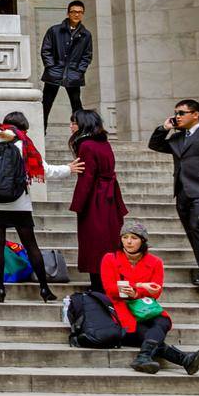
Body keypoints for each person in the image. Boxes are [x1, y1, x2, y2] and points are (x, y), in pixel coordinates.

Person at [0, 111, 83, 303]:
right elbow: (44, 169)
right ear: (23, 128)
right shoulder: (22, 142)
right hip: (17, 202)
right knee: (31, 245)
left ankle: (0, 290)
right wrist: (68, 169)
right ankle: (44, 289)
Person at [101, 219, 199, 375]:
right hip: (121, 309)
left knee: (163, 321)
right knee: (145, 333)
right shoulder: (110, 259)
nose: (129, 242)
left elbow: (156, 291)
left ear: (143, 241)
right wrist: (141, 286)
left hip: (145, 307)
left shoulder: (155, 262)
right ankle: (184, 360)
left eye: (134, 238)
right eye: (125, 237)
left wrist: (136, 293)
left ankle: (144, 357)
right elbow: (110, 289)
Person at [148, 98, 199, 290]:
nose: (177, 116)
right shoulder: (178, 137)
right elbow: (155, 145)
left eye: (181, 113)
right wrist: (164, 128)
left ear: (195, 114)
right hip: (182, 191)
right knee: (193, 232)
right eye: (176, 113)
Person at [69, 108, 128, 291]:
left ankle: (98, 284)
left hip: (96, 198)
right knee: (107, 240)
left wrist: (78, 203)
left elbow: (87, 177)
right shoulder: (103, 143)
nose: (71, 126)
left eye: (74, 122)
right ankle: (106, 281)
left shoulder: (86, 145)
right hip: (108, 197)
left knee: (94, 242)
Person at [40, 0, 93, 129]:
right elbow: (46, 50)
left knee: (76, 104)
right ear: (68, 13)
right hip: (54, 73)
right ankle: (41, 131)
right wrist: (51, 67)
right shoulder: (55, 30)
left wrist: (80, 70)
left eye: (80, 12)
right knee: (46, 103)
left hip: (73, 74)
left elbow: (87, 55)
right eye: (74, 12)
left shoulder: (86, 35)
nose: (77, 15)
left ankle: (81, 131)